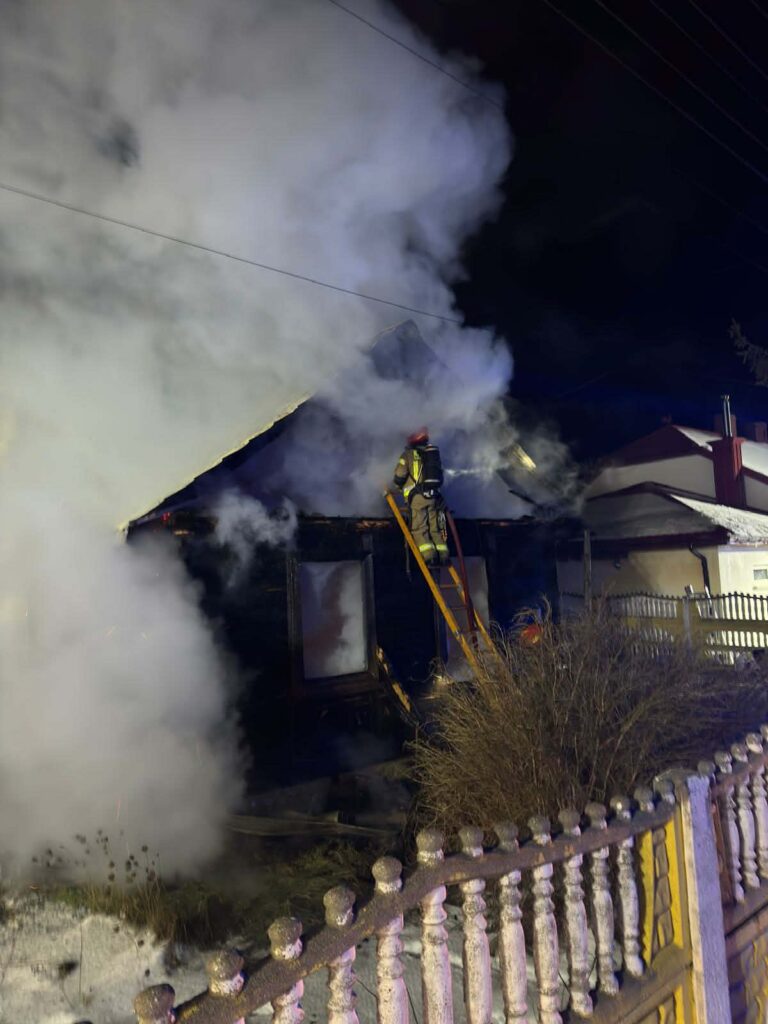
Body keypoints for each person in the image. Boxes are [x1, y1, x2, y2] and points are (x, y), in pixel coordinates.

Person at [393, 429, 450, 566]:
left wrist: (397, 484)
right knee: (434, 528)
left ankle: (429, 557)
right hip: (433, 497)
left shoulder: (407, 455)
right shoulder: (432, 454)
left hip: (417, 498)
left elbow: (400, 475)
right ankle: (443, 556)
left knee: (420, 528)